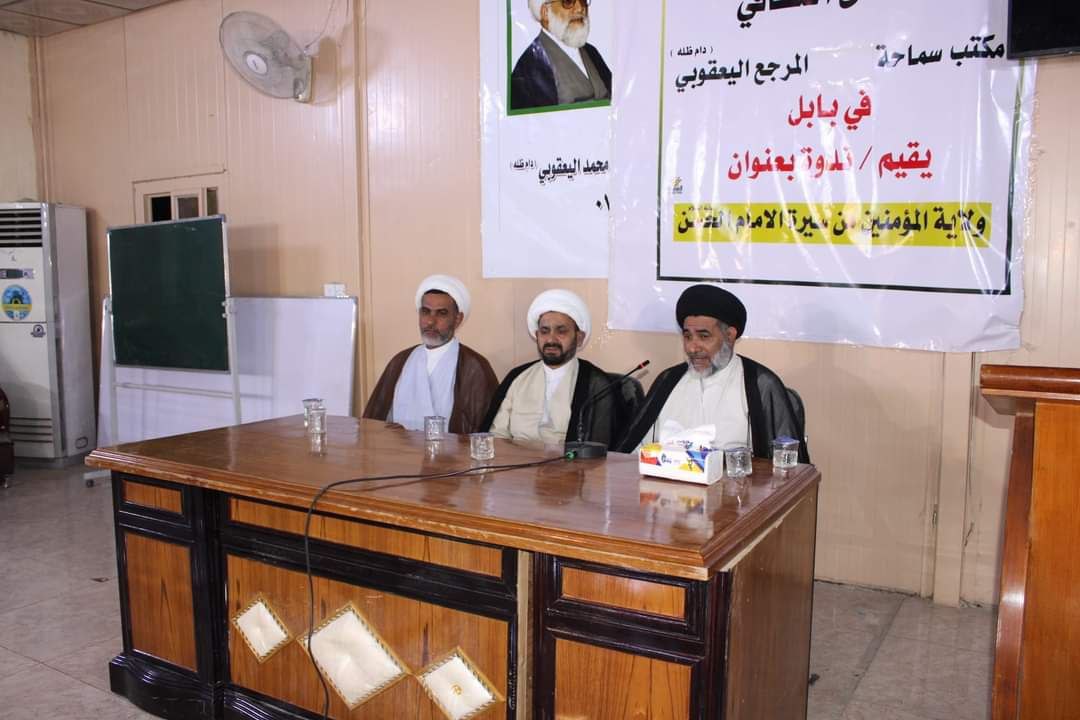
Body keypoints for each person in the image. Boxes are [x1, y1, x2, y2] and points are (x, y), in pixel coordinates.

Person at [617, 284, 810, 462]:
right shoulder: (668, 381)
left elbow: (788, 470)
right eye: (687, 336)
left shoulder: (759, 384)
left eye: (704, 336)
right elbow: (631, 453)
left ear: (730, 335)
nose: (692, 348)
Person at [482, 289, 641, 448]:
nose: (551, 339)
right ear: (537, 336)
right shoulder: (518, 377)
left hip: (568, 463)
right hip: (516, 460)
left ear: (579, 338)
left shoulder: (596, 384)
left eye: (561, 331)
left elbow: (596, 447)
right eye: (544, 331)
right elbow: (496, 436)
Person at [363, 275, 498, 434]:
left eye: (441, 313)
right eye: (425, 312)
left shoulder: (474, 367)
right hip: (399, 450)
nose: (430, 322)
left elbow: (484, 433)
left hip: (452, 451)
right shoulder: (401, 361)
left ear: (458, 319)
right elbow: (374, 424)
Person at [510, 0, 611, 110]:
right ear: (545, 12)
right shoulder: (528, 68)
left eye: (582, 1)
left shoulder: (591, 52)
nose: (580, 8)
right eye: (568, 2)